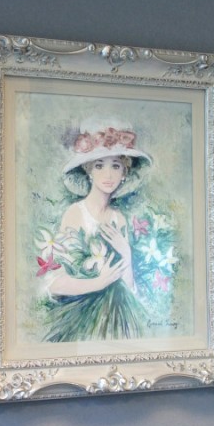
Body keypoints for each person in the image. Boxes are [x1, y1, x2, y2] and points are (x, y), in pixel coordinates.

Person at [37, 120, 152, 342]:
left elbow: (130, 289)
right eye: (99, 166)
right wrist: (97, 283)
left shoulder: (118, 219)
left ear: (124, 172)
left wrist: (126, 253)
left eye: (116, 166)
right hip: (83, 320)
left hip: (119, 317)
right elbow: (54, 284)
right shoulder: (76, 213)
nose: (108, 175)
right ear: (89, 170)